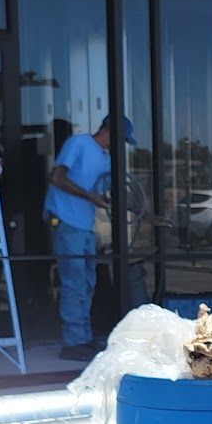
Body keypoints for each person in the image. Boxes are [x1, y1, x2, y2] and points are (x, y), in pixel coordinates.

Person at [45, 115, 133, 361]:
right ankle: (73, 342)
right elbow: (57, 177)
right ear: (110, 132)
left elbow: (108, 190)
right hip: (66, 221)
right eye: (122, 139)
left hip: (85, 225)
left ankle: (83, 337)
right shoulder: (79, 144)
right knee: (74, 283)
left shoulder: (105, 159)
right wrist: (90, 198)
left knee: (86, 283)